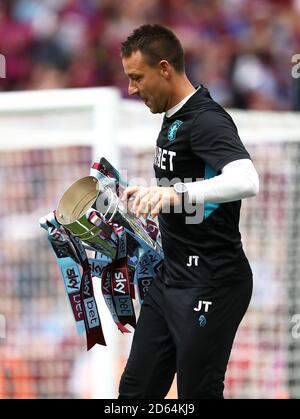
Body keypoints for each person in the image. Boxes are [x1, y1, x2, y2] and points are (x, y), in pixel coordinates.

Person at [119, 24, 259, 399]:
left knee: (197, 395)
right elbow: (186, 192)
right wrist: (137, 205)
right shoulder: (171, 118)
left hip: (213, 281)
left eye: (137, 77)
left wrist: (173, 195)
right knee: (134, 393)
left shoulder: (207, 120)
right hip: (172, 278)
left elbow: (247, 180)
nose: (132, 89)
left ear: (164, 68)